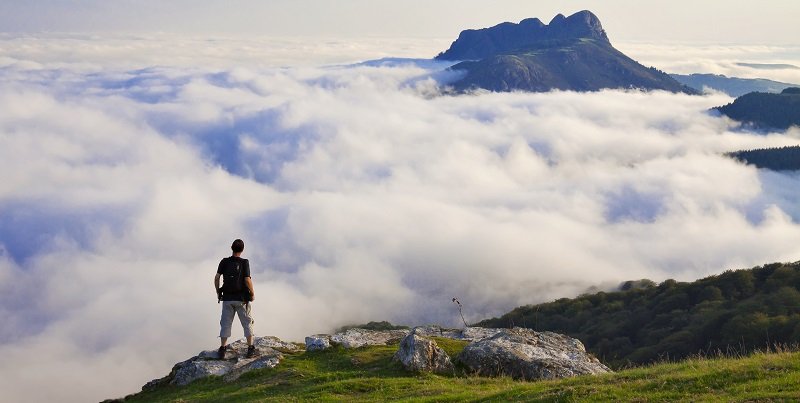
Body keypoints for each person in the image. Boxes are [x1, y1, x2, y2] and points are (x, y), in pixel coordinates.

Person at [214, 238, 256, 358]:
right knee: (247, 323)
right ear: (242, 250)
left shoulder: (224, 261)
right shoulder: (244, 262)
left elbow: (217, 278)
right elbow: (247, 279)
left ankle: (223, 348)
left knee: (225, 324)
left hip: (227, 298)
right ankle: (250, 348)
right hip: (241, 299)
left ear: (231, 248)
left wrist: (218, 292)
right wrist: (252, 293)